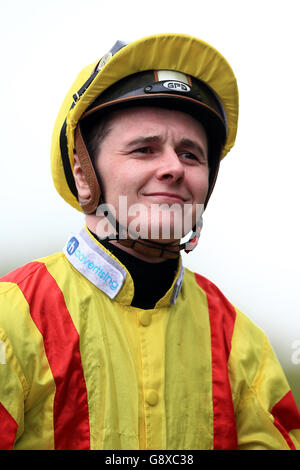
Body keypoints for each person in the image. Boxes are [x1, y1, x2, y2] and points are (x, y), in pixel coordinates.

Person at [0, 33, 299, 451]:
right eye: (144, 150)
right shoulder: (13, 315)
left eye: (191, 155)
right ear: (83, 173)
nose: (174, 168)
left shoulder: (241, 341)